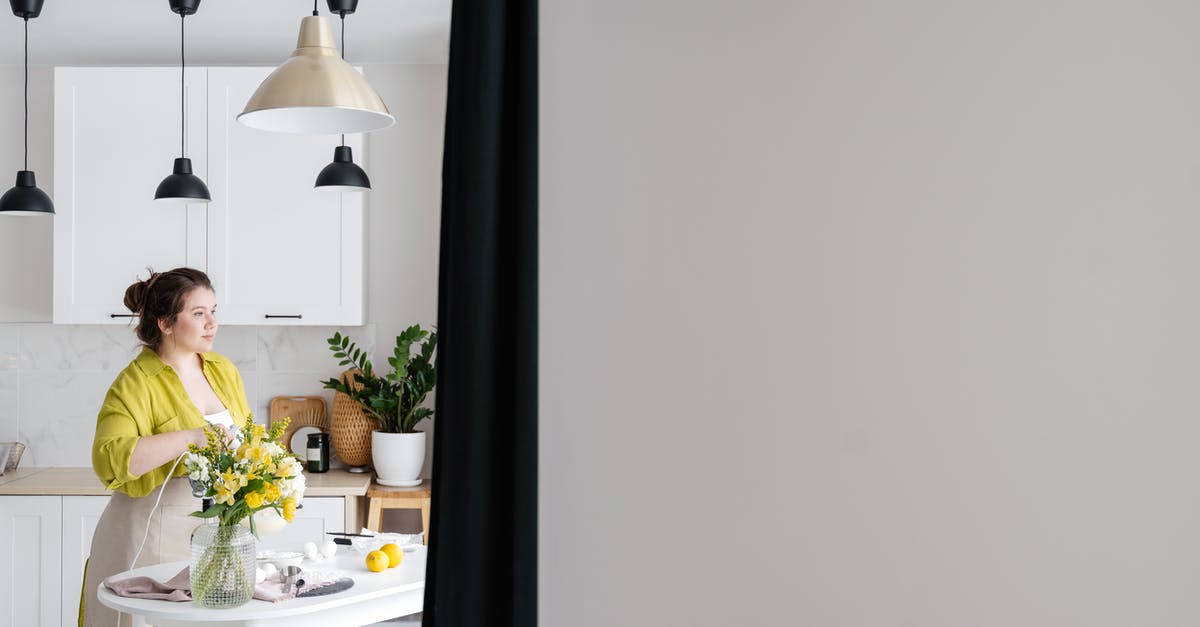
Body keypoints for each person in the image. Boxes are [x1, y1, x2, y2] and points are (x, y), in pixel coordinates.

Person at [80, 267, 250, 627]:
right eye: (198, 313)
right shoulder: (135, 383)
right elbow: (110, 458)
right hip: (147, 534)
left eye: (214, 311)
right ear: (166, 323)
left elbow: (246, 439)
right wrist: (192, 437)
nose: (212, 324)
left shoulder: (223, 370)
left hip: (211, 538)